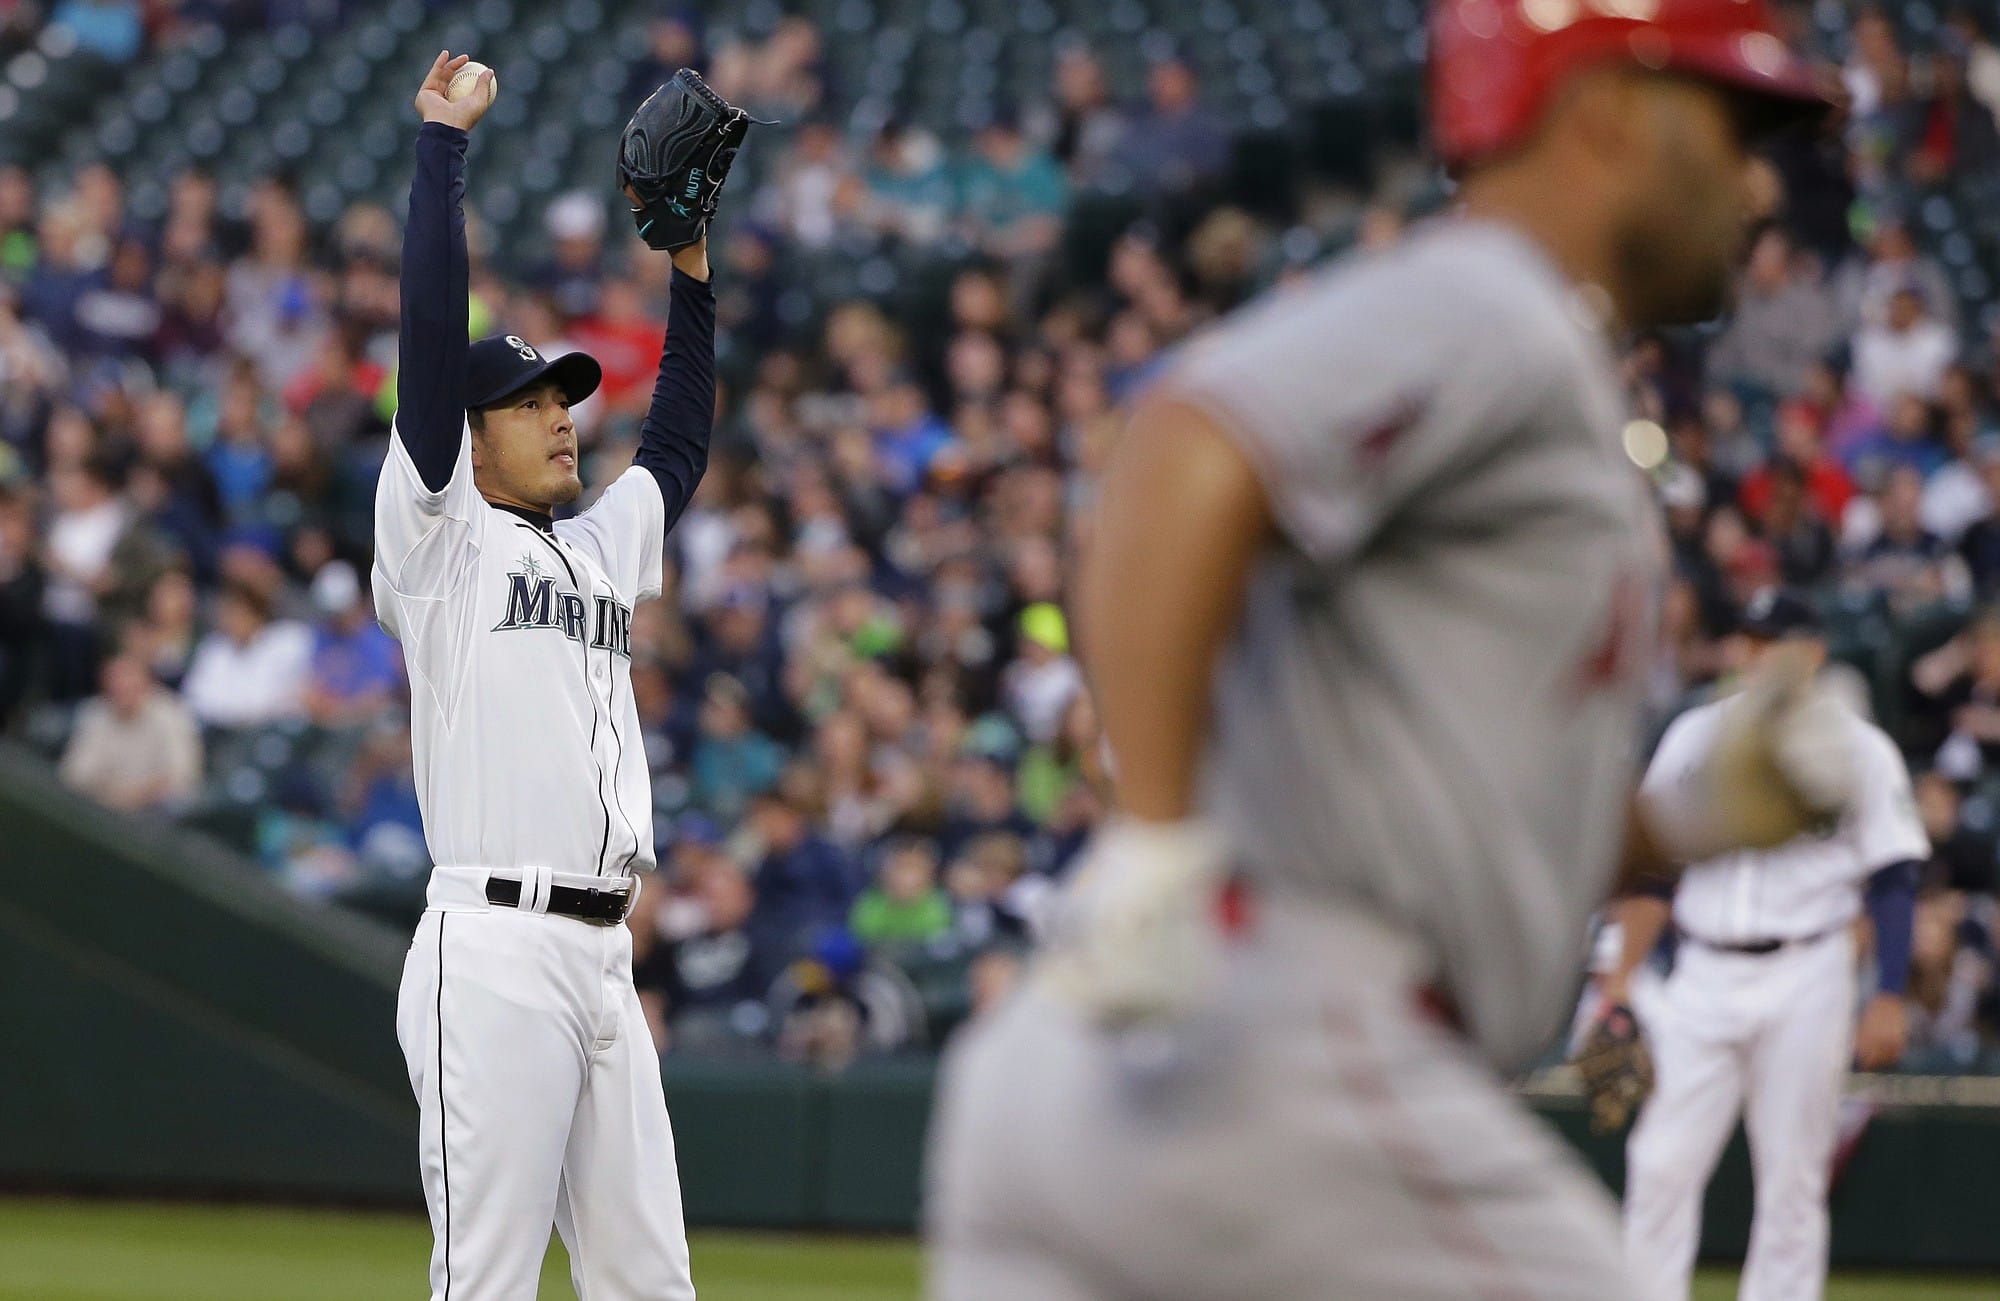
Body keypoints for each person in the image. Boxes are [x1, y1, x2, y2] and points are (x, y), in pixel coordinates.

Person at [924, 2, 1848, 1297]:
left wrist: (1683, 818)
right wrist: (1157, 838)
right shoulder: (1498, 303)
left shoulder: (1537, 358)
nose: (1759, 184)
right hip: (1281, 1046)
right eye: (1730, 125)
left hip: (1103, 1069)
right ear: (1604, 115)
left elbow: (1450, 820)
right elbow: (1185, 441)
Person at [378, 53, 726, 1301]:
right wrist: (441, 149)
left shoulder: (596, 546)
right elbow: (428, 346)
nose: (563, 412)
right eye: (529, 401)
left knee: (650, 1280)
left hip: (598, 955)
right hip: (492, 948)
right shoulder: (438, 539)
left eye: (564, 393)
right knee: (488, 1282)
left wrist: (689, 267)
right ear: (468, 439)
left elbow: (678, 433)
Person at [1612, 591, 1927, 1301]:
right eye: (1746, 640)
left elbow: (1895, 876)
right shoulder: (1694, 735)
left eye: (1770, 641)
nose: (1752, 656)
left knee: (1793, 1178)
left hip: (1808, 972)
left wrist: (1887, 993)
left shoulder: (1857, 748)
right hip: (1700, 975)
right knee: (1659, 1163)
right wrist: (1618, 975)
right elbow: (1653, 870)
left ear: (1812, 653)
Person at [57, 652, 202, 813]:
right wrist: (111, 797)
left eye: (130, 683)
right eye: (115, 684)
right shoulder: (95, 713)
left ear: (147, 684)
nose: (122, 688)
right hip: (97, 809)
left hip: (151, 817)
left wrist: (131, 797)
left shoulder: (172, 716)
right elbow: (75, 775)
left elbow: (181, 777)